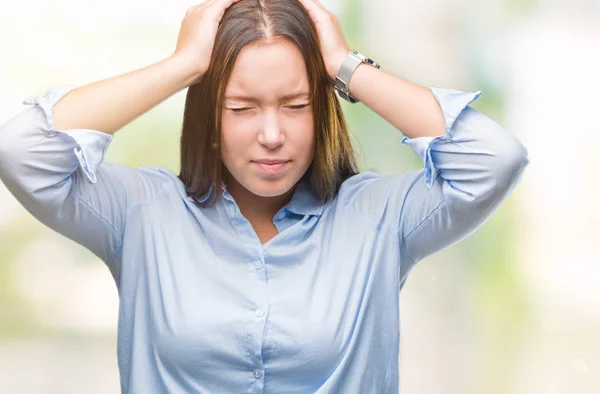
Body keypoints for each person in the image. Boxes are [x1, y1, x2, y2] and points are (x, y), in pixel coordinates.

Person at [0, 0, 529, 392]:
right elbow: (22, 152)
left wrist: (345, 64)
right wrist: (184, 65)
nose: (272, 134)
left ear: (322, 113)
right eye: (242, 107)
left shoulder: (380, 218)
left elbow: (493, 160)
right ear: (208, 116)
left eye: (296, 105)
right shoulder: (141, 214)